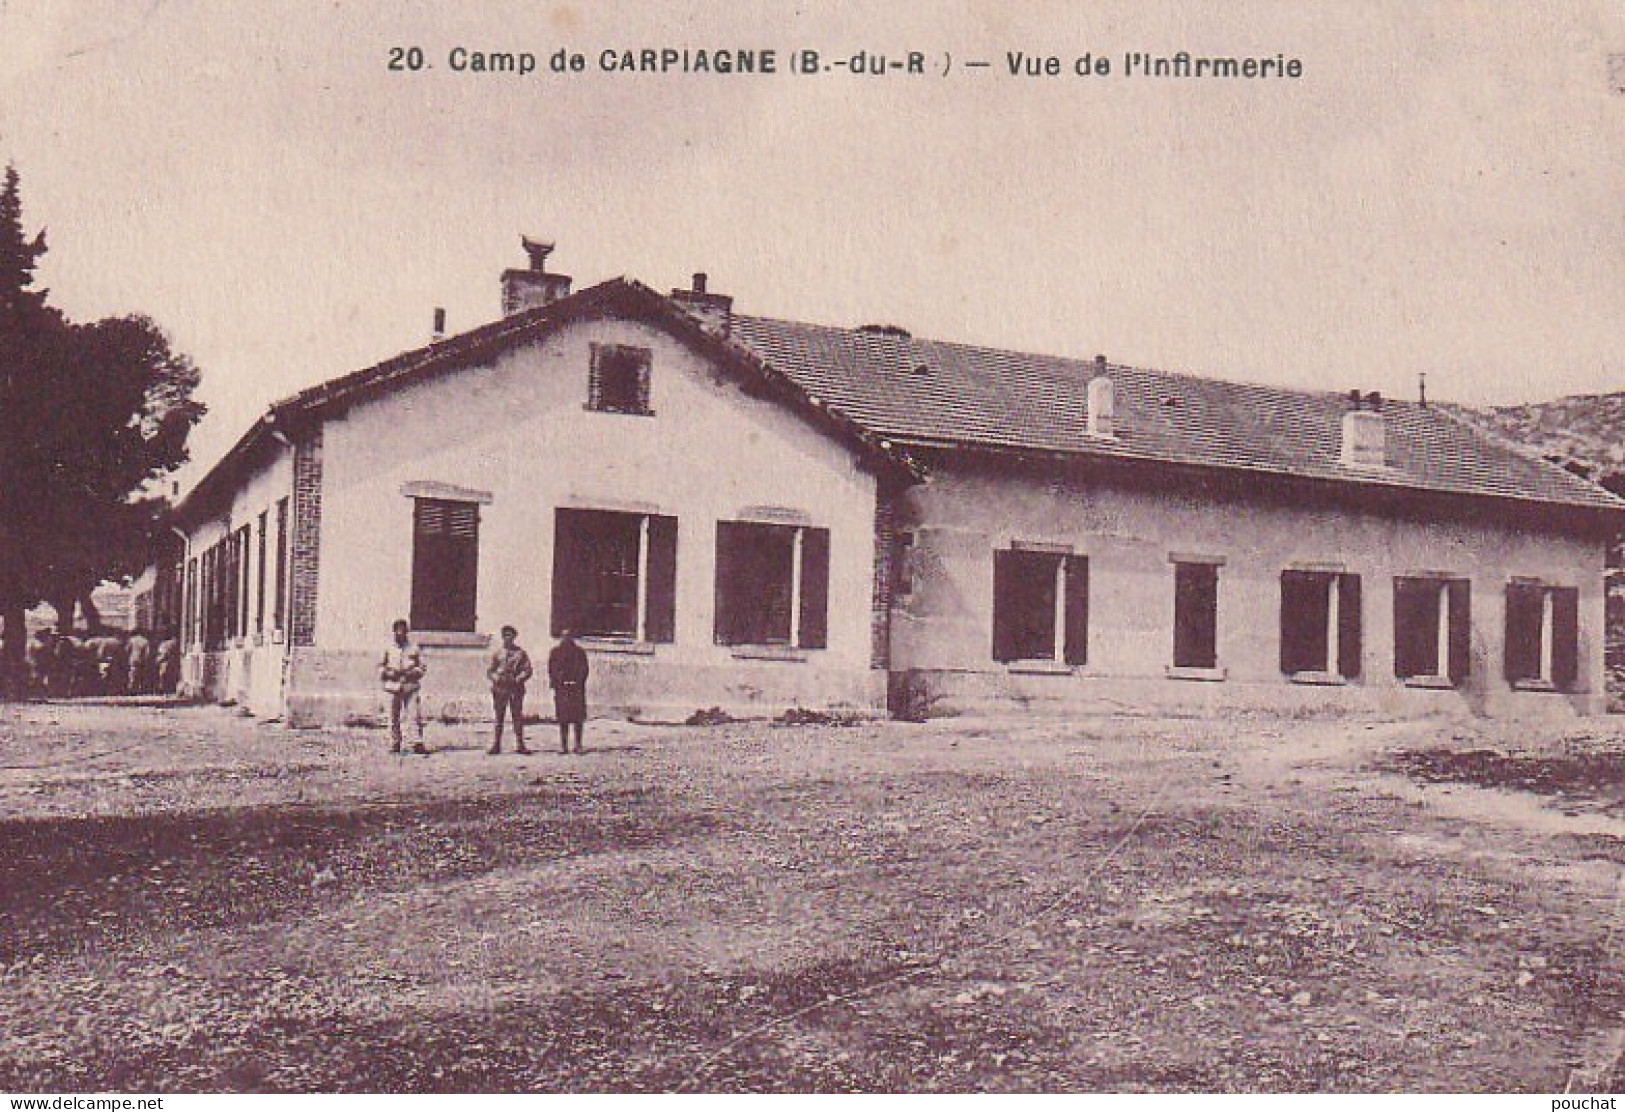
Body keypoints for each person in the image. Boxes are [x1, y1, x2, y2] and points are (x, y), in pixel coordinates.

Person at [380, 618, 428, 755]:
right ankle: (395, 742)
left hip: (410, 686)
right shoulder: (388, 648)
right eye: (398, 631)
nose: (400, 634)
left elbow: (422, 667)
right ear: (394, 632)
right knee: (393, 716)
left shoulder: (414, 648)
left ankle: (417, 742)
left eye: (403, 631)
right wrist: (389, 673)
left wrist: (412, 673)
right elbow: (380, 667)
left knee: (414, 715)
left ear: (407, 632)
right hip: (392, 686)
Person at [486, 625, 534, 755]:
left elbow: (527, 670)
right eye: (505, 635)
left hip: (515, 688)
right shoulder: (497, 653)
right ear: (502, 637)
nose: (508, 638)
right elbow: (490, 671)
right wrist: (496, 678)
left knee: (517, 716)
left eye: (510, 635)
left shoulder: (521, 653)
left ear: (514, 637)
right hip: (500, 688)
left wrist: (518, 678)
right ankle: (496, 745)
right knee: (499, 717)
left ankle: (520, 744)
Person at [547, 630, 590, 754]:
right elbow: (552, 670)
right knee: (563, 718)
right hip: (562, 690)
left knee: (578, 718)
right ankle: (563, 745)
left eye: (569, 636)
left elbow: (584, 669)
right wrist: (560, 682)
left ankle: (578, 744)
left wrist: (576, 681)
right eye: (564, 636)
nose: (566, 639)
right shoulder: (555, 652)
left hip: (576, 689)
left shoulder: (580, 653)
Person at [126, 628, 152, 695]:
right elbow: (147, 653)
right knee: (141, 675)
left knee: (132, 675)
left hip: (133, 659)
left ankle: (131, 690)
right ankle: (140, 690)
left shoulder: (131, 640)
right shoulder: (145, 641)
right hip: (141, 660)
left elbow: (127, 650)